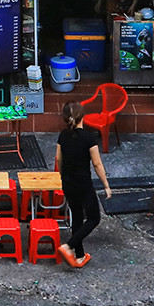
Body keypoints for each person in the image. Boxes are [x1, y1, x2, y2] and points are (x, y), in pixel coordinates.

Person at [53, 100, 111, 268]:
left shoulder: (63, 136)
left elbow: (58, 159)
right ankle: (69, 245)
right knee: (93, 218)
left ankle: (79, 256)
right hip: (83, 183)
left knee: (77, 216)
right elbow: (97, 164)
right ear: (82, 117)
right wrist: (106, 185)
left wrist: (63, 177)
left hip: (68, 182)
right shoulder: (89, 137)